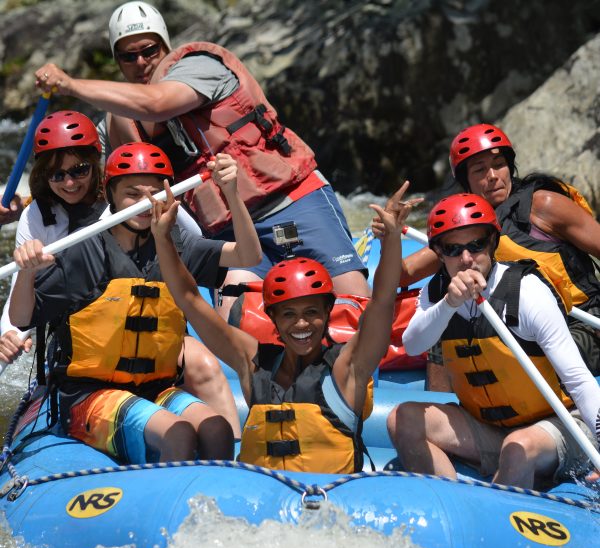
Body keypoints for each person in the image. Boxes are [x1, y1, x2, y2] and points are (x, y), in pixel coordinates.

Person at [33, 1, 371, 320]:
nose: (140, 63)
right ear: (118, 60)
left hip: (290, 202)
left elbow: (157, 103)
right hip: (227, 232)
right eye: (127, 56)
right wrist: (25, 205)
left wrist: (70, 84)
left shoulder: (199, 66)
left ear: (164, 47)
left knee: (351, 302)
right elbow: (81, 176)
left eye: (149, 50)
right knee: (237, 317)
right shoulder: (119, 119)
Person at [8, 143, 262, 463]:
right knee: (179, 432)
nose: (144, 203)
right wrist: (27, 274)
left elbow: (249, 255)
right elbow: (21, 317)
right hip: (88, 395)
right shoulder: (85, 251)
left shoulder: (173, 245)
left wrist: (232, 193)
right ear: (110, 194)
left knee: (218, 430)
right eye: (132, 194)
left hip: (156, 388)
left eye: (155, 192)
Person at [150, 177, 420, 473]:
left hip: (329, 503)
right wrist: (163, 238)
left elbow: (381, 301)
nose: (301, 323)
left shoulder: (348, 367)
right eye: (288, 314)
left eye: (311, 312)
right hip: (264, 504)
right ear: (273, 318)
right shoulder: (251, 363)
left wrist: (392, 239)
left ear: (328, 311)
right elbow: (190, 298)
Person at [387, 193, 600, 489]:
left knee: (518, 448)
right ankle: (454, 505)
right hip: (487, 427)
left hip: (559, 424)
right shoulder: (437, 293)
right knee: (402, 420)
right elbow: (413, 344)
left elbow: (579, 381)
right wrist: (449, 303)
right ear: (439, 253)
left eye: (476, 245)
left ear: (492, 243)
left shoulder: (526, 291)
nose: (465, 259)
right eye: (453, 248)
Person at [401, 123, 600, 389]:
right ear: (466, 182)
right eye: (480, 170)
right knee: (446, 327)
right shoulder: (462, 234)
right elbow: (402, 273)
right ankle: (444, 410)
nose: (493, 176)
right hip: (514, 327)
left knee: (517, 354)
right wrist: (391, 236)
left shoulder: (543, 206)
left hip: (579, 322)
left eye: (499, 164)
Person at [0, 110, 106, 367]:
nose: (69, 183)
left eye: (80, 170)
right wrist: (10, 333)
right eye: (57, 175)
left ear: (95, 164)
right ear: (44, 175)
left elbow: (192, 239)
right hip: (78, 327)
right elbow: (20, 287)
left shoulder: (121, 196)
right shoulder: (37, 214)